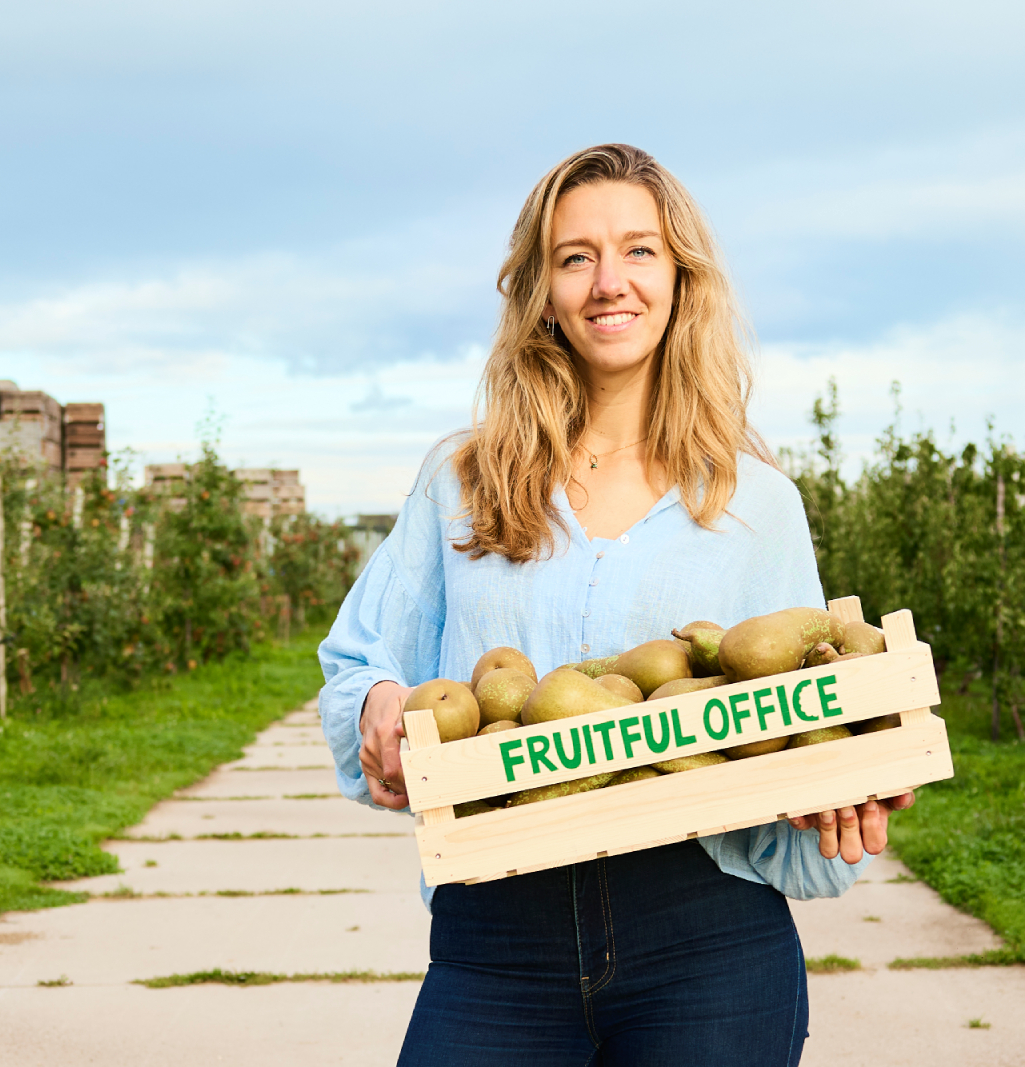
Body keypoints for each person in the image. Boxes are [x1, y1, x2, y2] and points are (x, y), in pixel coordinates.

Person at [319, 143, 914, 1066]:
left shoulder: (755, 504)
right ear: (543, 290)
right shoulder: (464, 483)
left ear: (681, 279)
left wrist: (842, 790)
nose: (610, 283)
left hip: (707, 938)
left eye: (639, 251)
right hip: (498, 936)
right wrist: (376, 707)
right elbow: (360, 659)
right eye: (575, 257)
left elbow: (807, 725)